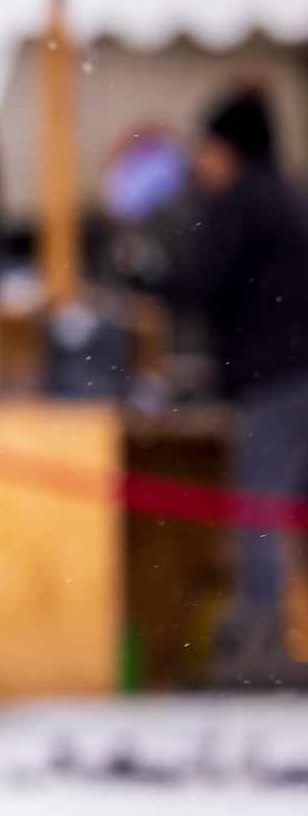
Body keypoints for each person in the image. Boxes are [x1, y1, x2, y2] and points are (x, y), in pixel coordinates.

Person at [166, 87, 308, 677]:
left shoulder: (240, 202)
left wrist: (147, 277)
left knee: (259, 510)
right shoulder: (288, 198)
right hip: (297, 373)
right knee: (288, 511)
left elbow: (200, 283)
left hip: (275, 381)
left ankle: (262, 649)